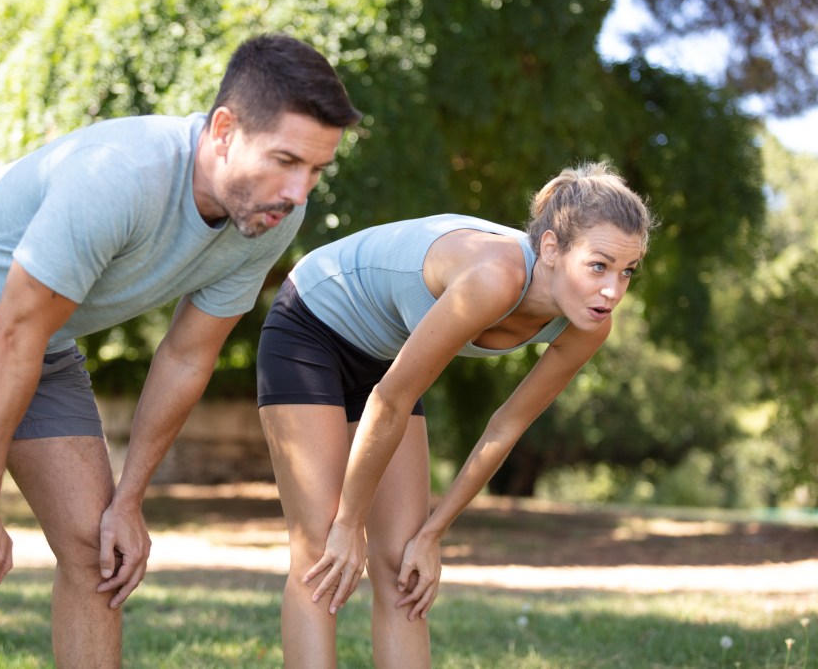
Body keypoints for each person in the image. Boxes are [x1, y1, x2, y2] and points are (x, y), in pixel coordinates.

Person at [0, 33, 361, 668]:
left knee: (99, 551)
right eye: (286, 160)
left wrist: (128, 501)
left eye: (316, 170)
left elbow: (186, 357)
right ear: (225, 130)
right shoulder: (120, 176)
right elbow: (12, 330)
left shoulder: (268, 217)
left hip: (37, 335)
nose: (298, 191)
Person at [257, 162, 657, 668]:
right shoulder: (492, 279)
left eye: (626, 271)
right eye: (598, 266)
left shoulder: (590, 324)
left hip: (387, 359)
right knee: (321, 552)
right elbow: (390, 401)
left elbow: (505, 426)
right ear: (552, 249)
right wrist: (348, 521)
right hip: (311, 326)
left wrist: (432, 534)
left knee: (405, 568)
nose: (612, 291)